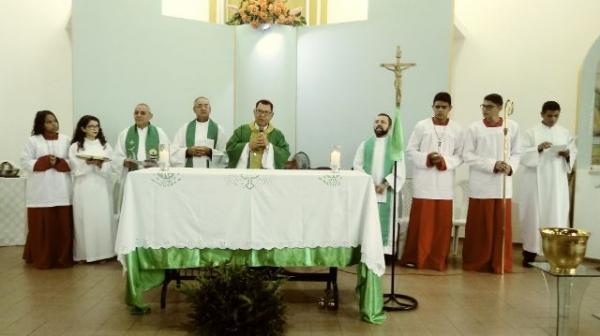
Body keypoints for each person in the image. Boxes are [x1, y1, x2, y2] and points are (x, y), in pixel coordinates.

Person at [400, 92, 463, 271]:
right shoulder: (422, 126)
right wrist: (428, 157)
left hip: (444, 182)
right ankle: (417, 257)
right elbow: (410, 151)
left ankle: (437, 260)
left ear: (450, 108)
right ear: (432, 107)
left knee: (441, 225)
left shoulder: (457, 129)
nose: (440, 110)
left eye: (444, 107)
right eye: (437, 106)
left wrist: (444, 161)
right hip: (425, 181)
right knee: (422, 223)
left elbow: (460, 156)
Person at [462, 93, 522, 273]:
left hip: (503, 184)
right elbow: (467, 155)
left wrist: (510, 166)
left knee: (500, 226)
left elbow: (518, 152)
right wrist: (492, 164)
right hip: (481, 184)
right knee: (481, 227)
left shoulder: (511, 126)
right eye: (483, 106)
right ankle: (477, 262)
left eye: (489, 106)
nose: (485, 110)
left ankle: (500, 262)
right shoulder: (474, 128)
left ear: (500, 108)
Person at [517, 101, 576, 267]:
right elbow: (521, 155)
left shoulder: (564, 133)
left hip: (557, 181)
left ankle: (555, 253)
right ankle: (530, 253)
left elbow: (573, 152)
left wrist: (567, 154)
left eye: (556, 116)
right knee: (533, 215)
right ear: (542, 114)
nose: (553, 119)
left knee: (556, 213)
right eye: (549, 115)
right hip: (535, 181)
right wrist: (538, 148)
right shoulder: (531, 132)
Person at [20, 110, 73, 268]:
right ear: (41, 124)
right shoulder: (32, 141)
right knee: (41, 227)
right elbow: (25, 161)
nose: (53, 124)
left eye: (55, 120)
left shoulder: (66, 140)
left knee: (62, 226)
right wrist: (45, 161)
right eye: (49, 122)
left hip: (62, 189)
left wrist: (57, 162)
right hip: (40, 190)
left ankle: (62, 258)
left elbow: (73, 161)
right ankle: (42, 258)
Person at [353, 113, 406, 255]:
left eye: (383, 122)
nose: (379, 124)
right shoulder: (365, 144)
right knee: (368, 222)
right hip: (368, 191)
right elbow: (357, 165)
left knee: (386, 222)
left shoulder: (395, 147)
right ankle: (367, 251)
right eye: (376, 121)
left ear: (389, 126)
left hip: (386, 192)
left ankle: (385, 253)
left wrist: (384, 184)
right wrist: (369, 183)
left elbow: (399, 168)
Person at [68, 115, 116, 262]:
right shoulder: (75, 146)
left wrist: (100, 164)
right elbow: (74, 168)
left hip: (101, 186)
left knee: (102, 218)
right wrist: (87, 163)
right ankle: (85, 254)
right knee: (84, 219)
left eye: (97, 126)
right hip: (83, 186)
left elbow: (111, 167)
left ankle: (105, 253)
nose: (95, 129)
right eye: (91, 126)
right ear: (83, 128)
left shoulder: (105, 146)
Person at [226, 99, 290, 169]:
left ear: (271, 115)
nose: (262, 115)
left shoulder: (278, 135)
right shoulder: (241, 130)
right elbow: (230, 148)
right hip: (245, 176)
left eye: (266, 112)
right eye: (259, 111)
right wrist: (248, 146)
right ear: (254, 112)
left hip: (268, 177)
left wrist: (268, 146)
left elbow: (285, 153)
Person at [172, 97, 228, 168]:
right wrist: (187, 151)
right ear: (194, 110)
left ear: (210, 109)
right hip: (190, 174)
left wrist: (210, 152)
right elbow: (173, 151)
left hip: (210, 175)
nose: (203, 108)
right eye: (199, 106)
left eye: (206, 105)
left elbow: (225, 155)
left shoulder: (218, 130)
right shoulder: (185, 129)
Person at [113, 103, 170, 173]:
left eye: (142, 113)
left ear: (150, 116)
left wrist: (157, 164)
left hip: (153, 175)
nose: (138, 115)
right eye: (136, 113)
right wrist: (124, 162)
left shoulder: (159, 133)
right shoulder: (125, 134)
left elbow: (165, 156)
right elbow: (117, 156)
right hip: (132, 175)